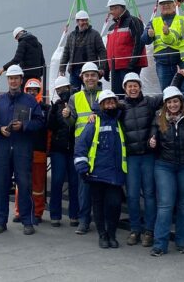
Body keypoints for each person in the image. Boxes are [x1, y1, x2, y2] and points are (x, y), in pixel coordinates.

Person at [0, 65, 45, 235]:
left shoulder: (30, 101)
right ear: (8, 80)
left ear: (21, 80)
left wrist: (25, 126)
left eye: (16, 78)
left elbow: (40, 122)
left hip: (22, 148)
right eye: (11, 78)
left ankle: (28, 221)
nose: (13, 81)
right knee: (0, 185)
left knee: (25, 185)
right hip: (3, 148)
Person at [74, 90, 127, 249]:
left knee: (115, 204)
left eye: (112, 102)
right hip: (97, 172)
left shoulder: (119, 120)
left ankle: (112, 233)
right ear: (101, 105)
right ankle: (103, 235)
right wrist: (82, 167)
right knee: (98, 204)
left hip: (116, 173)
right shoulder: (94, 122)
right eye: (107, 102)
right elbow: (81, 146)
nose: (110, 105)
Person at [148, 86, 184, 257]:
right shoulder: (159, 118)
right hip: (164, 165)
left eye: (175, 101)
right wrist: (152, 140)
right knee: (165, 205)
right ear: (165, 104)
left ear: (181, 102)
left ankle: (182, 242)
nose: (173, 105)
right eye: (169, 102)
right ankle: (160, 244)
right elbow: (153, 134)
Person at [120, 72, 161, 247]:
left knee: (150, 194)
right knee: (132, 195)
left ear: (140, 87)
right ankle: (135, 229)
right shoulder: (121, 107)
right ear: (125, 89)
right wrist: (93, 113)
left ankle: (149, 231)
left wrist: (179, 77)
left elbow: (168, 94)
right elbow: (101, 107)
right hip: (131, 158)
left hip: (147, 156)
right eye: (129, 86)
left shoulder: (149, 102)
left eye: (135, 85)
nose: (133, 88)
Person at [66, 61, 103, 234]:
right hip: (82, 148)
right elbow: (72, 122)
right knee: (83, 188)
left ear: (98, 77)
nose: (90, 78)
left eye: (93, 75)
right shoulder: (75, 98)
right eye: (87, 75)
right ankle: (84, 221)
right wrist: (66, 116)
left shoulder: (106, 95)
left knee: (102, 186)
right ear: (82, 77)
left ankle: (102, 221)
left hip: (102, 147)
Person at [12, 78, 48, 223]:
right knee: (21, 183)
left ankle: (38, 212)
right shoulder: (20, 107)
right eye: (30, 90)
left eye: (35, 90)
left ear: (39, 91)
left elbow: (48, 131)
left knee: (38, 185)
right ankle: (19, 211)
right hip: (23, 151)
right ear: (25, 90)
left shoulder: (45, 108)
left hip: (39, 150)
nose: (32, 93)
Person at [46, 76, 79, 227]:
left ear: (69, 87)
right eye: (59, 90)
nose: (62, 92)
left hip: (73, 149)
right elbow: (50, 127)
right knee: (57, 181)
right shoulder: (56, 106)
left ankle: (74, 215)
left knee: (74, 182)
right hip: (58, 149)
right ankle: (55, 215)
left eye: (64, 88)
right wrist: (52, 114)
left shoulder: (77, 102)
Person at [141, 0, 184, 90]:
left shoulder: (183, 20)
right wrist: (149, 35)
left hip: (181, 61)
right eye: (163, 4)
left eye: (168, 3)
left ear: (174, 4)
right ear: (159, 6)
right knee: (167, 92)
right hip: (162, 63)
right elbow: (144, 40)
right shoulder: (154, 22)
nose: (166, 6)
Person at [106, 0, 147, 94]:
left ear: (119, 8)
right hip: (115, 67)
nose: (111, 12)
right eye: (110, 9)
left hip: (129, 66)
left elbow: (139, 42)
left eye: (113, 9)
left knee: (131, 93)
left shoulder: (133, 21)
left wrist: (132, 64)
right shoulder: (111, 27)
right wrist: (106, 68)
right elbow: (108, 49)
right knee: (118, 95)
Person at [60, 10, 108, 89]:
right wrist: (62, 69)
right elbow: (66, 53)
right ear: (77, 22)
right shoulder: (71, 36)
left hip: (90, 70)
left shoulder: (95, 34)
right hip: (74, 71)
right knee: (74, 94)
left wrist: (102, 68)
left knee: (91, 92)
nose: (85, 22)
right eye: (82, 20)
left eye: (86, 20)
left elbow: (102, 52)